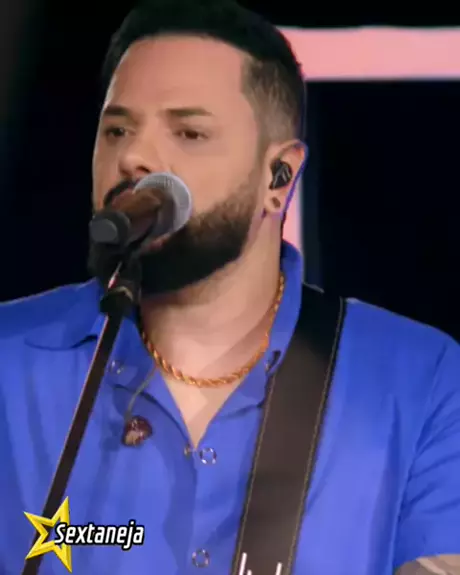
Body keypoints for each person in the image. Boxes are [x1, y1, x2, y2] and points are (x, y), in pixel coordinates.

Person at [1, 0, 459, 573]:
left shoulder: (421, 381)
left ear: (278, 177)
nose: (134, 156)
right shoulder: (8, 360)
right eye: (117, 129)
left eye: (189, 132)